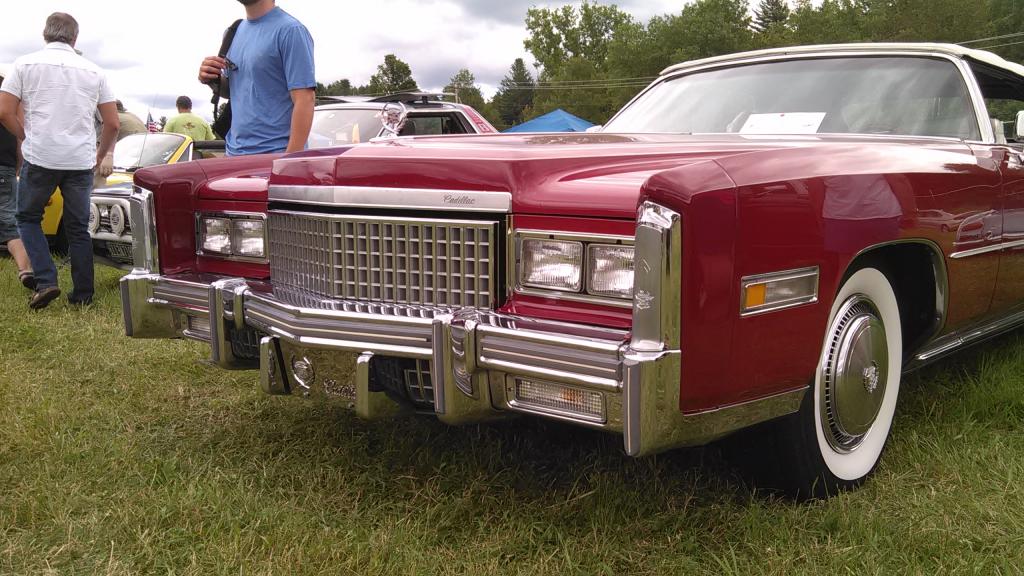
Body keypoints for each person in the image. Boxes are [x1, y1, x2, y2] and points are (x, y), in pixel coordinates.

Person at [0, 12, 119, 309]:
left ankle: (46, 279)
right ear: (75, 38)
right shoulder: (95, 71)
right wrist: (100, 154)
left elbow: (4, 111)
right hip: (79, 160)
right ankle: (83, 295)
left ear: (45, 35)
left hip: (40, 156)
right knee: (77, 227)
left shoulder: (24, 64)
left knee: (27, 218)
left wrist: (25, 136)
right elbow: (113, 123)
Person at [197, 0, 315, 156]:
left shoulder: (291, 31)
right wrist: (212, 79)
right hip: (233, 155)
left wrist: (290, 161)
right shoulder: (232, 32)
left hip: (274, 156)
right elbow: (232, 91)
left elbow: (305, 99)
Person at [0, 64, 34, 289]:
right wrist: (18, 165)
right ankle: (26, 270)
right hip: (4, 165)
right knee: (10, 222)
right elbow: (20, 134)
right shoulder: (9, 96)